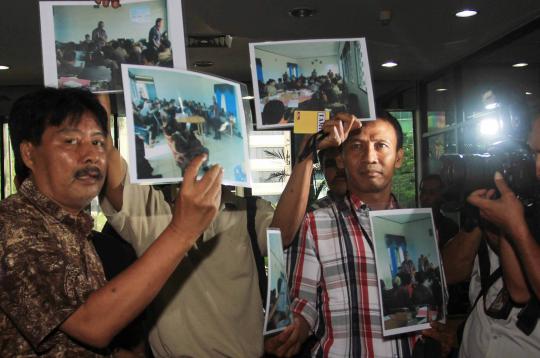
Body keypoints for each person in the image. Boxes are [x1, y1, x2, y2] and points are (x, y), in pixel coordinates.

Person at [99, 110, 356, 356]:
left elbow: (284, 233)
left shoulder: (247, 211)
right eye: (190, 140)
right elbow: (107, 157)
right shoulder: (150, 211)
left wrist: (308, 154)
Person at [0, 88, 222, 356]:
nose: (91, 155)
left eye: (97, 142)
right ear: (29, 154)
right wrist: (182, 230)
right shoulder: (14, 226)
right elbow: (92, 324)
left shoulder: (71, 227)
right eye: (70, 141)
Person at [274, 113, 449, 357]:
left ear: (399, 157)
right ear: (342, 159)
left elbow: (436, 306)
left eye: (381, 145)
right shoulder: (316, 223)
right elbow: (302, 303)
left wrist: (435, 324)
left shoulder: (419, 225)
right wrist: (294, 328)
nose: (369, 157)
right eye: (356, 146)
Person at [443, 113, 540, 357]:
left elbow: (520, 293)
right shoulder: (506, 210)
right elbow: (449, 272)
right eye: (532, 153)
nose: (536, 165)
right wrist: (482, 217)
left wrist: (514, 225)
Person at [419, 174, 459, 248]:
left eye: (432, 193)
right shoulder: (412, 222)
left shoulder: (449, 227)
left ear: (441, 197)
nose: (426, 197)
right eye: (424, 192)